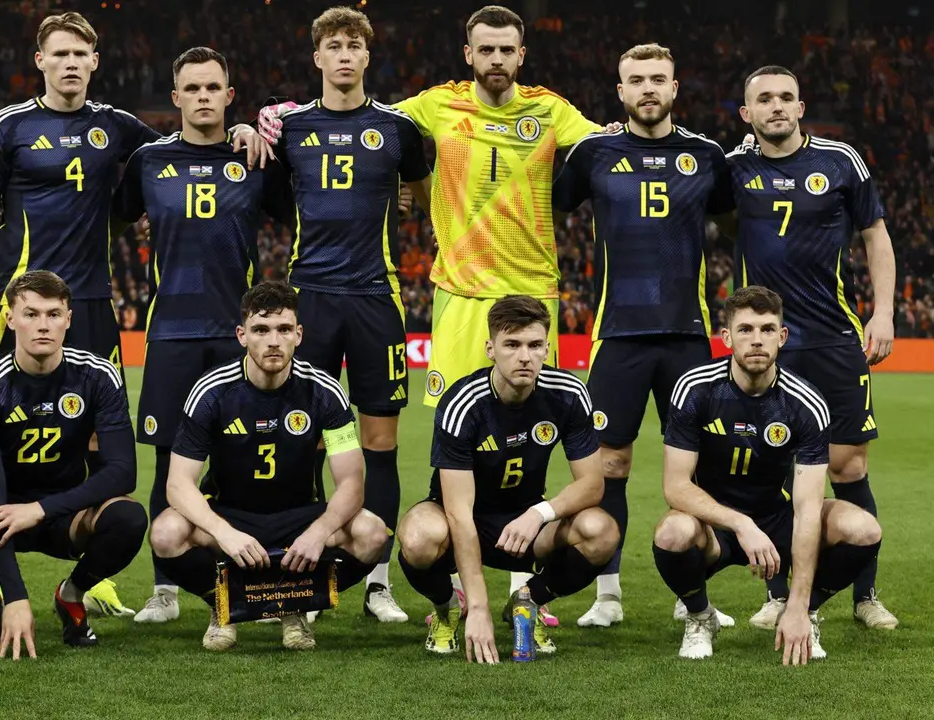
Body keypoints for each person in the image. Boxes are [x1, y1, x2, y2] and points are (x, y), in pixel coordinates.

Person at [261, 4, 614, 617]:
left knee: (530, 432)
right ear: (468, 52)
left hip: (532, 294)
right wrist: (281, 112)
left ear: (521, 55)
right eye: (486, 49)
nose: (497, 59)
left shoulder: (551, 108)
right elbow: (356, 118)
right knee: (448, 438)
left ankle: (516, 591)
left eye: (508, 49)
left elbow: (608, 140)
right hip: (458, 295)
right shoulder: (432, 105)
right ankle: (390, 572)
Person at [0, 11, 270, 364]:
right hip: (26, 299)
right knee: (19, 411)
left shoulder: (113, 124)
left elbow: (185, 150)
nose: (71, 63)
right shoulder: (9, 125)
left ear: (94, 61)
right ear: (40, 60)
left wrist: (239, 132)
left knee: (104, 415)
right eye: (60, 54)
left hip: (94, 298)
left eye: (80, 54)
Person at [551, 43, 735, 628]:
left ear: (675, 88)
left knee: (702, 467)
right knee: (611, 465)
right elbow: (546, 206)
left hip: (688, 335)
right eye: (637, 80)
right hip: (618, 335)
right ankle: (608, 596)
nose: (649, 88)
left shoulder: (706, 155)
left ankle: (693, 596)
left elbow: (735, 221)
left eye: (659, 79)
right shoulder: (594, 153)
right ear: (621, 91)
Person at [109, 46, 294, 624]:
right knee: (169, 462)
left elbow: (298, 210)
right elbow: (115, 216)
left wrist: (267, 143)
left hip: (238, 332)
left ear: (229, 95)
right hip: (170, 333)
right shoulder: (147, 161)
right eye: (193, 88)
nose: (204, 97)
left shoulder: (255, 159)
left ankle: (272, 584)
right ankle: (164, 591)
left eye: (214, 87)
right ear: (176, 97)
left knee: (254, 457)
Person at [264, 5, 434, 623]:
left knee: (379, 443)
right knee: (302, 439)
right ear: (318, 57)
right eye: (332, 45)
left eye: (353, 45)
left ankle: (378, 583)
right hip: (308, 296)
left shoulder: (396, 129)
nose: (343, 55)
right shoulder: (290, 130)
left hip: (376, 299)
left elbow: (420, 189)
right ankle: (302, 572)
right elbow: (276, 204)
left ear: (367, 57)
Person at [727, 66, 898, 630]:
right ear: (746, 114)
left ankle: (864, 596)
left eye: (786, 97)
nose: (776, 106)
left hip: (833, 338)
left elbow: (876, 235)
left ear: (801, 107)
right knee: (778, 468)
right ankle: (781, 594)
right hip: (766, 344)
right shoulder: (731, 168)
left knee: (848, 465)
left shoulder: (840, 161)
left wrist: (884, 311)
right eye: (763, 99)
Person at [148, 282, 388, 652]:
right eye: (261, 330)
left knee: (372, 534)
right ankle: (222, 603)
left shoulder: (324, 391)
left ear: (299, 335)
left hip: (299, 515)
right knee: (165, 533)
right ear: (242, 335)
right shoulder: (212, 391)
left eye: (284, 330)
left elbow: (352, 482)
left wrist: (319, 532)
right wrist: (223, 532)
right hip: (229, 513)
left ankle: (296, 602)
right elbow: (178, 484)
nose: (273, 341)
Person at [653, 286, 883, 662]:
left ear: (782, 336)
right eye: (745, 330)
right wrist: (741, 524)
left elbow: (808, 508)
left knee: (864, 529)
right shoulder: (694, 390)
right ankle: (699, 616)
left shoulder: (806, 404)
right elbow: (676, 487)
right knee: (672, 532)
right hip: (715, 525)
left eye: (766, 329)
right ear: (726, 337)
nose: (756, 340)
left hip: (780, 520)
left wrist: (798, 601)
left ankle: (805, 613)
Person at [0, 270, 146, 658]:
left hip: (66, 509)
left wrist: (40, 509)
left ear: (69, 318)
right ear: (9, 319)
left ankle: (71, 594)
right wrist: (15, 597)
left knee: (128, 518)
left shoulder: (98, 375)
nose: (42, 325)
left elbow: (123, 472)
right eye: (30, 314)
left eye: (53, 314)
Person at [397, 295, 618, 662]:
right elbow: (458, 513)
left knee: (601, 530)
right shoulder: (462, 403)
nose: (524, 356)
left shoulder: (568, 393)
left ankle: (527, 601)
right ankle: (449, 607)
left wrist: (539, 514)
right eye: (512, 345)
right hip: (460, 522)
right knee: (419, 537)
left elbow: (592, 484)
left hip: (528, 524)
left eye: (534, 345)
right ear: (490, 349)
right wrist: (479, 606)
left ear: (548, 348)